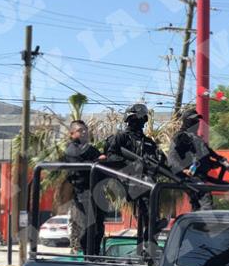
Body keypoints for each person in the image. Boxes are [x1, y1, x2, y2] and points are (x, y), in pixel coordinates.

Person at [104, 103, 167, 244]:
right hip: (124, 179)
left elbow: (160, 162)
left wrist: (161, 159)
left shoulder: (149, 142)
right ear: (129, 119)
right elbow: (111, 156)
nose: (138, 122)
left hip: (145, 181)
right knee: (148, 188)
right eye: (135, 119)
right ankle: (151, 229)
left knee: (152, 189)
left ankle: (150, 238)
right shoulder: (120, 138)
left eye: (140, 119)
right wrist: (133, 165)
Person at [168, 108, 226, 211]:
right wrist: (183, 170)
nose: (197, 123)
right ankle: (204, 223)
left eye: (197, 120)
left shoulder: (198, 139)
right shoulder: (181, 137)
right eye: (193, 121)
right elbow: (172, 159)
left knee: (198, 206)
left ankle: (197, 225)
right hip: (189, 177)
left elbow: (204, 160)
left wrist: (217, 163)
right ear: (186, 121)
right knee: (206, 200)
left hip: (200, 176)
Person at [64, 120, 106, 257]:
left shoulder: (90, 148)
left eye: (85, 130)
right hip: (84, 192)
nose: (84, 132)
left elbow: (101, 159)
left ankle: (95, 253)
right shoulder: (72, 149)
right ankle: (87, 252)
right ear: (72, 134)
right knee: (90, 225)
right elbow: (80, 166)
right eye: (80, 130)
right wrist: (96, 161)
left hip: (97, 191)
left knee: (99, 226)